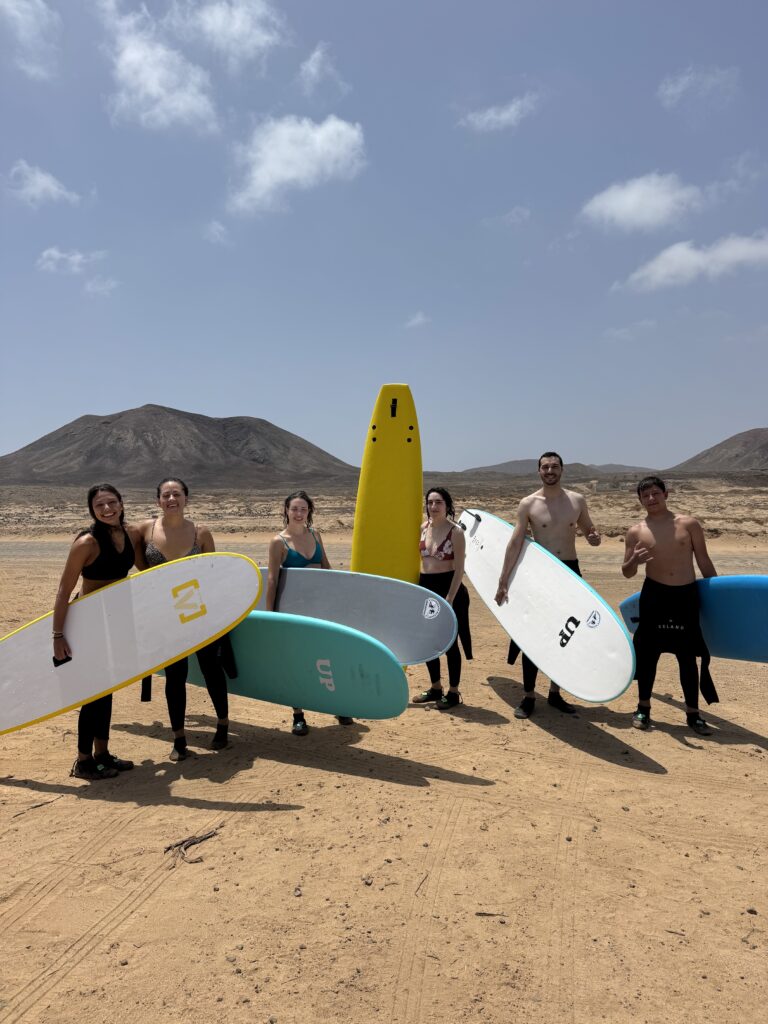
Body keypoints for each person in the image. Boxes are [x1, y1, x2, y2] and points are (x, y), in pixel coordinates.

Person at [494, 452, 601, 719]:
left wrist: (594, 537)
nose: (550, 471)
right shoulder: (528, 503)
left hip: (570, 572)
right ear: (539, 471)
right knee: (533, 636)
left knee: (566, 634)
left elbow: (590, 531)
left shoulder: (577, 500)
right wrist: (503, 579)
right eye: (545, 467)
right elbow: (515, 542)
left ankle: (555, 693)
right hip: (541, 574)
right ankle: (529, 695)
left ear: (562, 469)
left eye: (554, 466)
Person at [52, 483, 141, 781]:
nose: (106, 509)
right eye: (99, 505)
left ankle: (102, 754)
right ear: (92, 510)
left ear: (121, 503)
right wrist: (57, 635)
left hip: (115, 622)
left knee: (106, 688)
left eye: (111, 502)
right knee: (93, 691)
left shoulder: (131, 534)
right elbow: (64, 590)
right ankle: (83, 761)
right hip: (88, 623)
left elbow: (148, 572)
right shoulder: (86, 543)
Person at [137, 478, 230, 760]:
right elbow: (134, 561)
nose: (171, 499)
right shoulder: (144, 530)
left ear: (186, 498)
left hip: (199, 612)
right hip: (166, 616)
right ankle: (179, 739)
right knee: (175, 676)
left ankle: (223, 725)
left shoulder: (201, 533)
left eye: (176, 494)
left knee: (211, 669)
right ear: (158, 501)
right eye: (166, 495)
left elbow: (213, 575)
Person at [622, 475, 718, 735]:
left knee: (688, 657)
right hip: (655, 596)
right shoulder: (635, 531)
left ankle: (693, 714)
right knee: (648, 655)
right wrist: (634, 561)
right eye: (645, 495)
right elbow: (627, 572)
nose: (651, 498)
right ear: (640, 500)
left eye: (655, 493)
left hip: (686, 596)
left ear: (666, 494)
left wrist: (718, 595)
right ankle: (643, 708)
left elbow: (704, 561)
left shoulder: (689, 524)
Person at [265, 490, 353, 735]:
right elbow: (272, 580)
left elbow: (326, 568)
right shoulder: (278, 542)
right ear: (286, 511)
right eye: (294, 509)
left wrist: (340, 597)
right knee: (297, 662)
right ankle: (298, 715)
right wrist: (270, 616)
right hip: (293, 612)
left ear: (309, 512)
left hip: (320, 608)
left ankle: (337, 705)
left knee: (327, 657)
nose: (299, 513)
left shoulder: (315, 535)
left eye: (303, 509)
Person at [411, 487, 472, 711]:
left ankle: (453, 693)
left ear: (447, 505)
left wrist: (450, 598)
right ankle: (435, 688)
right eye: (430, 502)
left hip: (450, 589)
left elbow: (460, 569)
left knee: (450, 643)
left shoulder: (456, 532)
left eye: (438, 502)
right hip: (427, 589)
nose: (433, 506)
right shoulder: (423, 528)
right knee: (429, 641)